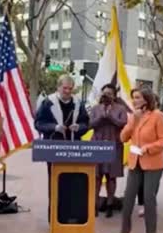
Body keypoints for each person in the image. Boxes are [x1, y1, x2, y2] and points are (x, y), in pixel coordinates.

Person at [114, 88, 163, 233]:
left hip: (152, 162)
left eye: (137, 97)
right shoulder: (133, 116)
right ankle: (124, 232)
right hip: (135, 162)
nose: (134, 100)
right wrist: (134, 121)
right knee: (128, 197)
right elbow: (123, 137)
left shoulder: (158, 115)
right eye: (133, 98)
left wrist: (148, 148)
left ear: (146, 99)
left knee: (148, 198)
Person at [34, 75, 89, 222]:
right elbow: (38, 123)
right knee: (55, 182)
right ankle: (54, 217)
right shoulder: (48, 103)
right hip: (54, 147)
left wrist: (79, 128)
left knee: (72, 182)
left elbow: (85, 123)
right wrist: (54, 127)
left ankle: (71, 215)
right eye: (65, 88)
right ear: (58, 87)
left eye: (70, 89)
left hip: (73, 147)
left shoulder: (78, 103)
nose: (67, 91)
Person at [89, 83, 127, 218]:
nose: (107, 96)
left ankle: (110, 204)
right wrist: (101, 117)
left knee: (111, 177)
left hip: (114, 145)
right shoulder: (95, 108)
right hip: (97, 145)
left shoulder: (120, 109)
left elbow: (123, 124)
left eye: (110, 94)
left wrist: (110, 116)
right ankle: (94, 205)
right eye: (105, 93)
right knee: (96, 177)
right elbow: (90, 124)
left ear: (114, 96)